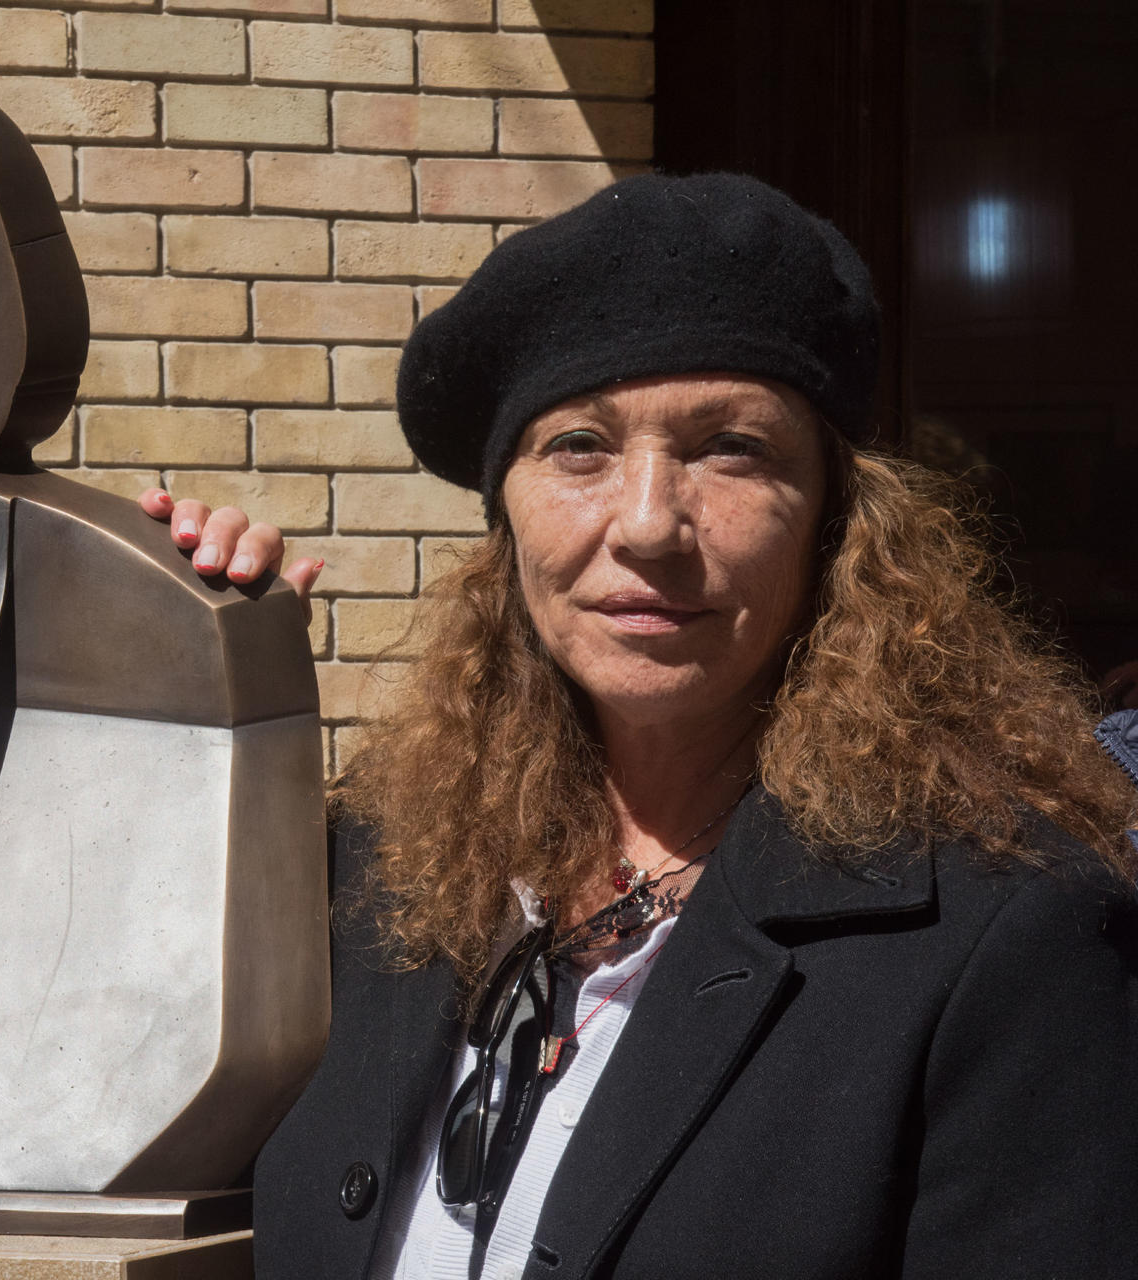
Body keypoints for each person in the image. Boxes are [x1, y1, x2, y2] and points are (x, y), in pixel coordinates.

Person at [143, 172, 1138, 1279]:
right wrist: (182, 688)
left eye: (732, 449)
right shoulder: (372, 878)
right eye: (580, 446)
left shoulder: (1005, 931)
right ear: (505, 512)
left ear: (836, 522)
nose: (651, 522)